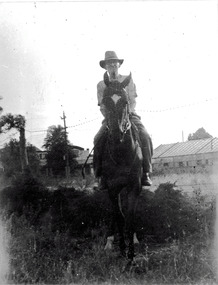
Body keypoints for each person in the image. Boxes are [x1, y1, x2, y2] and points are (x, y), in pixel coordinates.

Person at [93, 51, 153, 189]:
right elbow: (102, 106)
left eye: (115, 63)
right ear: (106, 67)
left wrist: (127, 115)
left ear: (119, 64)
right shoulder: (101, 85)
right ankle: (99, 176)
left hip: (129, 115)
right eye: (110, 64)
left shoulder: (128, 80)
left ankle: (146, 172)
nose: (113, 66)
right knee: (97, 138)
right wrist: (110, 118)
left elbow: (132, 101)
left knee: (145, 135)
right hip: (110, 118)